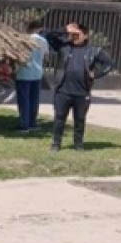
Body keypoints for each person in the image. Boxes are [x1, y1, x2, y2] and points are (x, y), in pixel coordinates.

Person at [43, 22, 114, 151]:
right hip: (62, 91)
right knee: (59, 118)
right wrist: (64, 29)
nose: (74, 37)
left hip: (82, 92)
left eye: (77, 34)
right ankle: (56, 144)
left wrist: (96, 74)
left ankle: (78, 144)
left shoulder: (93, 51)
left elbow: (108, 64)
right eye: (72, 34)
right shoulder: (64, 47)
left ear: (85, 35)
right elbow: (47, 36)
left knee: (80, 120)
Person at [14, 20, 49, 133]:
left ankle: (24, 125)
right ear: (40, 28)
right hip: (37, 73)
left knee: (24, 99)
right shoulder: (43, 41)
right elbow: (46, 57)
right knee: (34, 99)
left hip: (24, 73)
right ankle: (32, 123)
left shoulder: (23, 40)